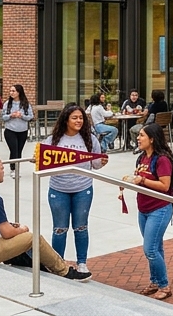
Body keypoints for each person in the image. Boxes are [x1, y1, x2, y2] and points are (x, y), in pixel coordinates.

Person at [0, 154, 91, 280]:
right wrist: (21, 229)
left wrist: (9, 225)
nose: (3, 171)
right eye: (1, 168)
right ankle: (64, 271)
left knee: (15, 234)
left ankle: (22, 259)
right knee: (33, 238)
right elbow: (7, 233)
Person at [43, 104, 107, 274]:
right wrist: (37, 159)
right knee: (59, 229)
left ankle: (82, 263)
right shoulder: (53, 140)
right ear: (66, 120)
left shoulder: (89, 139)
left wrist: (101, 162)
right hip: (58, 189)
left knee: (81, 227)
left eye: (81, 118)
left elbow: (96, 165)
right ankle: (58, 264)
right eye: (74, 118)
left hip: (83, 189)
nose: (79, 121)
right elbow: (43, 164)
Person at [130, 124, 173, 300]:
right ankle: (155, 281)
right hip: (144, 209)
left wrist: (142, 180)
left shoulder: (162, 159)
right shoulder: (142, 157)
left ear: (152, 139)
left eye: (141, 135)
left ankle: (164, 286)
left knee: (149, 249)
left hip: (160, 209)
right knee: (156, 247)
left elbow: (164, 186)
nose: (138, 138)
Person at [2, 84, 32, 160]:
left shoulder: (26, 104)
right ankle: (13, 168)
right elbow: (3, 117)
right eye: (10, 91)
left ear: (19, 92)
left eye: (13, 91)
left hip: (23, 131)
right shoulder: (7, 103)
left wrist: (22, 116)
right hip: (10, 130)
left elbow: (30, 116)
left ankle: (17, 169)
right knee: (14, 151)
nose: (11, 93)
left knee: (19, 152)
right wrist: (10, 115)